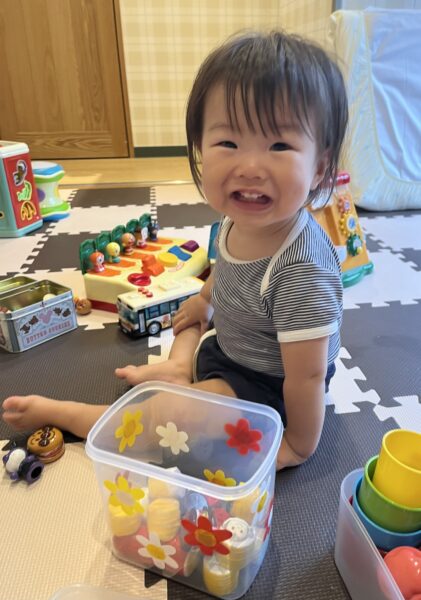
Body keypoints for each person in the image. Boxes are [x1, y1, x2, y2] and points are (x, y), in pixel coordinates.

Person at [2, 30, 348, 470]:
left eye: (279, 146)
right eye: (228, 143)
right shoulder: (238, 217)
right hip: (230, 346)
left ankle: (73, 416)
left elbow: (308, 376)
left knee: (167, 418)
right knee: (188, 313)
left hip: (271, 386)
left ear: (319, 166)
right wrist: (205, 300)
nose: (250, 167)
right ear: (201, 148)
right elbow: (227, 268)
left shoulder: (302, 270)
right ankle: (180, 368)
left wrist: (298, 444)